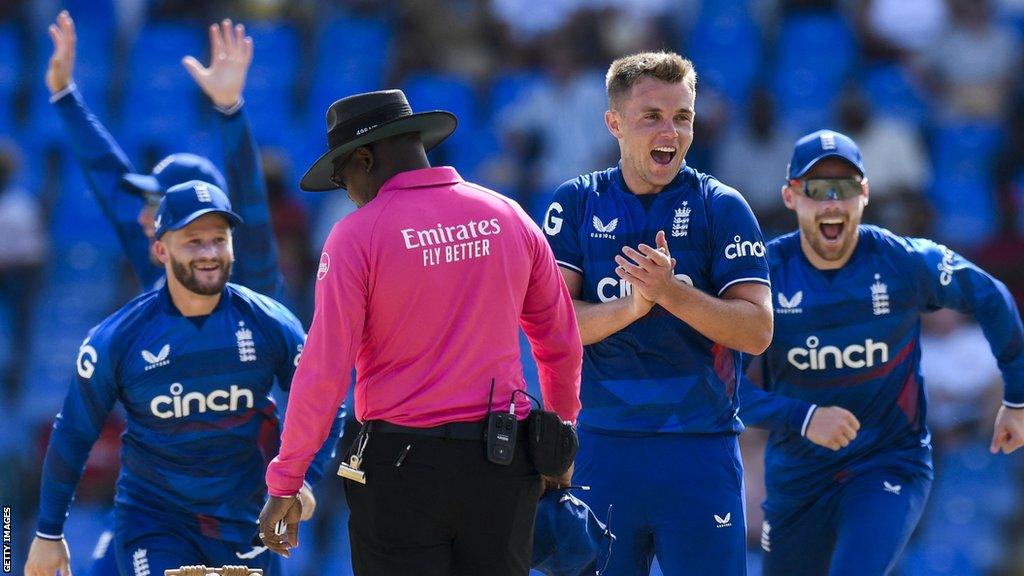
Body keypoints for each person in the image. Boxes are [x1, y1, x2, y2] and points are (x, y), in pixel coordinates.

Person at [257, 89, 583, 576]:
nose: (350, 196)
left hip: (399, 470)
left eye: (346, 180)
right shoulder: (508, 216)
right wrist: (560, 439)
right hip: (503, 464)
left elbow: (324, 370)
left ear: (365, 158)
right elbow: (560, 342)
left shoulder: (355, 236)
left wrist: (286, 480)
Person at [739, 129, 1024, 575]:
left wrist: (1017, 398)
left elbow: (991, 296)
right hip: (798, 473)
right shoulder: (764, 275)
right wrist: (804, 418)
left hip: (887, 462)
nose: (832, 202)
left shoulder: (902, 261)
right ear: (790, 197)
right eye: (816, 189)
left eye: (846, 187)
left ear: (865, 195)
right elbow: (723, 385)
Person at [25, 182, 344, 576]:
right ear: (162, 250)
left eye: (219, 240)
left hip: (248, 523)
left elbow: (327, 401)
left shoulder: (271, 323)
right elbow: (73, 433)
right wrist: (48, 533)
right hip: (154, 523)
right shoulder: (117, 338)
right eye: (194, 241)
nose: (209, 253)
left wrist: (302, 480)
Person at [542, 51, 773, 575]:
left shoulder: (722, 206)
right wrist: (633, 305)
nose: (670, 130)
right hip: (600, 448)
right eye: (652, 116)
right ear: (615, 123)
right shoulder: (575, 204)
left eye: (683, 117)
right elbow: (555, 328)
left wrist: (671, 293)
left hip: (699, 449)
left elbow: (758, 331)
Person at [45, 11, 282, 297]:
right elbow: (108, 175)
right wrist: (64, 95)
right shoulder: (160, 263)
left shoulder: (248, 276)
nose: (143, 218)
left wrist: (230, 109)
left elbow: (248, 194)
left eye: (155, 203)